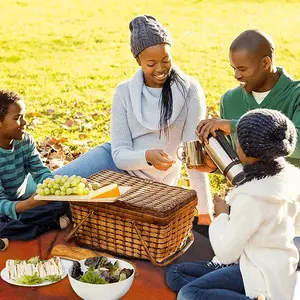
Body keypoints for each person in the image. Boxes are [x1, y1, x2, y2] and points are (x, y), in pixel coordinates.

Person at [52, 15, 213, 224]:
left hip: (149, 185)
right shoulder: (125, 92)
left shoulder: (190, 91)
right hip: (112, 163)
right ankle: (12, 211)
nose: (161, 68)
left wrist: (204, 211)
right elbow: (119, 155)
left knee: (78, 211)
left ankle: (61, 217)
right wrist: (146, 156)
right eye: (151, 63)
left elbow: (193, 157)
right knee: (49, 188)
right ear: (138, 61)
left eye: (166, 59)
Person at [166, 109, 300, 300]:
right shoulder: (291, 177)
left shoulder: (251, 197)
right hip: (274, 266)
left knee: (188, 293)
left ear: (244, 150)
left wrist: (222, 215)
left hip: (259, 274)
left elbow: (226, 252)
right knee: (175, 274)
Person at [195, 29, 300, 257]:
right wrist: (215, 166)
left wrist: (235, 126)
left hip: (288, 211)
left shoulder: (296, 95)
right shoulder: (230, 99)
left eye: (242, 69)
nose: (236, 76)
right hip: (248, 208)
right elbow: (243, 161)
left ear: (266, 62)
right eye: (233, 68)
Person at [0, 90, 70, 241]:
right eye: (17, 118)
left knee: (63, 203)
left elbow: (40, 172)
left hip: (21, 202)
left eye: (24, 116)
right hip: (5, 207)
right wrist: (29, 204)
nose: (24, 122)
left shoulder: (25, 141)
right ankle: (42, 226)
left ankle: (16, 231)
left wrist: (53, 189)